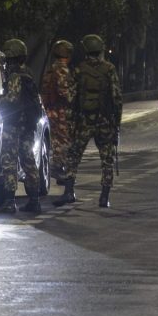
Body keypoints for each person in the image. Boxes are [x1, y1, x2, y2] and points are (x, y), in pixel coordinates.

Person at [59, 34, 122, 208]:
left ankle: (69, 192)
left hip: (84, 121)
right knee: (107, 160)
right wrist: (116, 123)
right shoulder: (109, 69)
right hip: (104, 122)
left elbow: (71, 97)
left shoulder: (79, 70)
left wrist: (71, 122)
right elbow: (117, 98)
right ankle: (104, 197)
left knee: (73, 156)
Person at [0, 38, 43, 214]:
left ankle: (9, 201)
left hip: (13, 126)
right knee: (29, 161)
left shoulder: (15, 76)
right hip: (27, 126)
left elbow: (12, 100)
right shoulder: (28, 74)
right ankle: (34, 200)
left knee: (9, 161)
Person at [40, 39, 75, 201]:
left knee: (55, 142)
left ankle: (57, 169)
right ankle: (57, 168)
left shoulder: (50, 69)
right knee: (63, 142)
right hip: (59, 112)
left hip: (50, 110)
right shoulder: (61, 70)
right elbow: (65, 93)